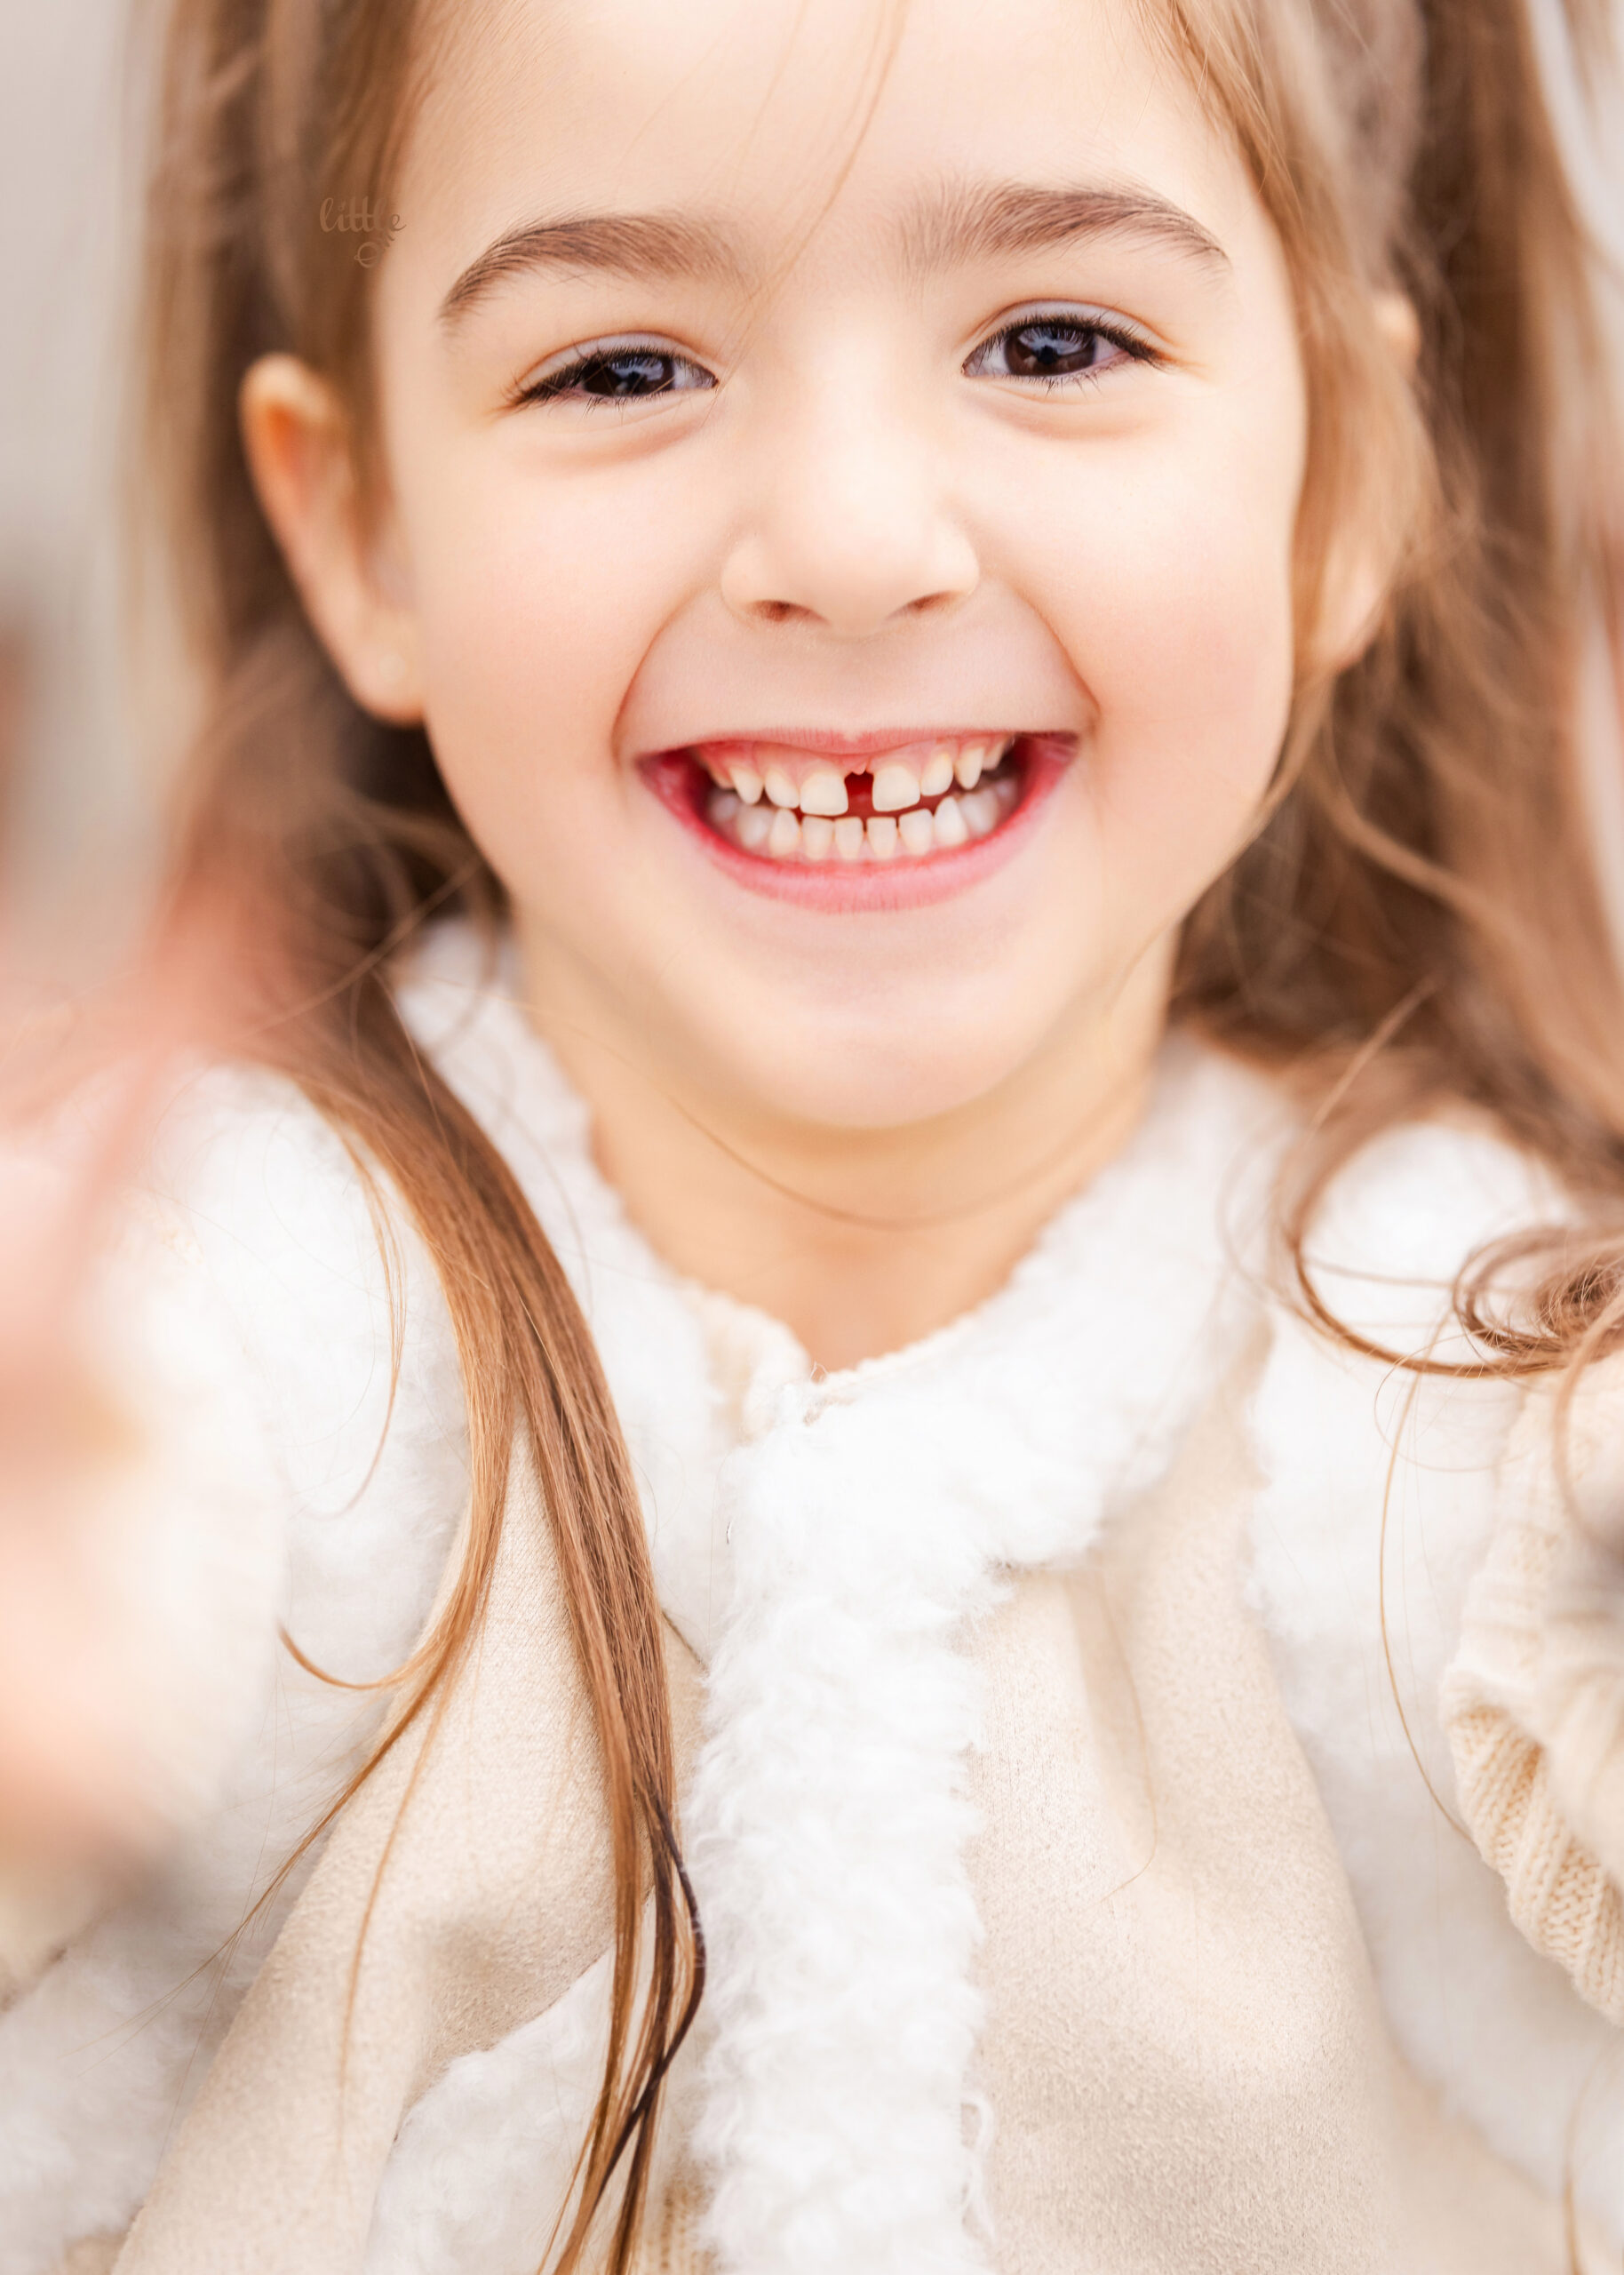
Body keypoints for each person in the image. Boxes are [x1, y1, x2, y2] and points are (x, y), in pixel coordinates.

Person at [3, 0, 1623, 2266]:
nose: (851, 545)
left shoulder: (1487, 1411)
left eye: (1054, 339)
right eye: (620, 370)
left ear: (1337, 475)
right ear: (357, 520)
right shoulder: (205, 1348)